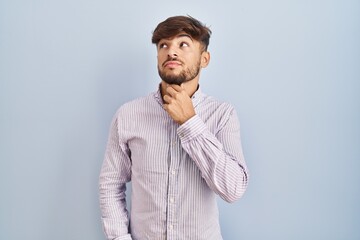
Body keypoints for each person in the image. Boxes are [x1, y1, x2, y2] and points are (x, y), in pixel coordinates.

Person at [99, 15, 249, 240]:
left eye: (183, 44)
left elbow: (233, 189)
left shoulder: (223, 115)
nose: (171, 51)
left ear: (204, 58)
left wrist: (190, 122)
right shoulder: (128, 115)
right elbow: (110, 184)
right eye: (163, 45)